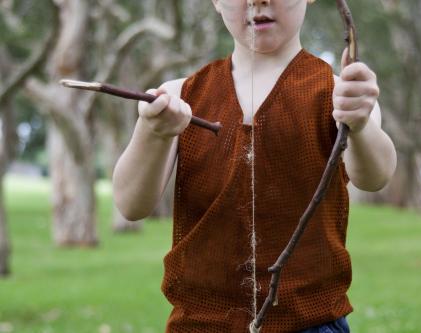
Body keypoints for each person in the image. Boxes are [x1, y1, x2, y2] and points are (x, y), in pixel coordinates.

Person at [112, 0, 397, 332]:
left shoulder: (339, 94)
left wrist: (359, 123)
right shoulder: (179, 97)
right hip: (199, 324)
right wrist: (153, 133)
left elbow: (375, 176)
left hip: (310, 322)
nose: (258, 0)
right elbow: (131, 205)